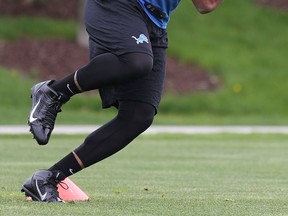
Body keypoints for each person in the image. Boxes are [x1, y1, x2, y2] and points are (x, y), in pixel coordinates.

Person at [21, 0, 223, 202]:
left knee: (139, 115)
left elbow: (206, 5)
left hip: (155, 21)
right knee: (136, 61)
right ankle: (53, 92)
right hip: (118, 6)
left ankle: (48, 179)